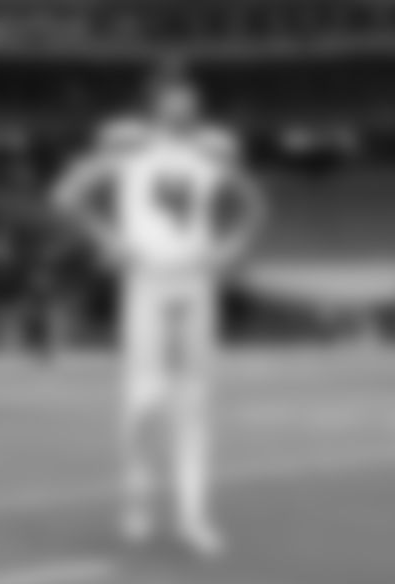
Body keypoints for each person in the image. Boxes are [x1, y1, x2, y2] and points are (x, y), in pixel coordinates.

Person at [50, 62, 267, 558]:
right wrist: (107, 238)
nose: (182, 102)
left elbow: (254, 206)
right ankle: (137, 499)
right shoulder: (129, 145)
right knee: (143, 402)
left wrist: (230, 247)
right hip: (146, 280)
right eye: (172, 94)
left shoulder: (214, 148)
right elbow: (65, 196)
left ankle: (194, 515)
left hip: (196, 281)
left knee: (194, 401)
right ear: (154, 101)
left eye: (188, 94)